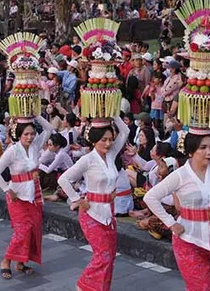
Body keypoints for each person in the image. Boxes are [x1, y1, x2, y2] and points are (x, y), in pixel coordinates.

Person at [144, 123, 210, 290]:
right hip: (188, 239)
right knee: (202, 287)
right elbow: (151, 196)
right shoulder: (180, 175)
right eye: (203, 147)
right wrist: (171, 223)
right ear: (191, 150)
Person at [57, 116, 130, 291]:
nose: (108, 143)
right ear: (95, 139)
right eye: (104, 139)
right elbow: (64, 180)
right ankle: (83, 286)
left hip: (108, 213)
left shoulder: (111, 154)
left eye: (111, 139)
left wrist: (113, 114)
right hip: (91, 213)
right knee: (102, 256)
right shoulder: (87, 159)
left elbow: (125, 131)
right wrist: (77, 200)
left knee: (110, 257)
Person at [0, 116, 53, 279]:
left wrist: (36, 114)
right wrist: (7, 189)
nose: (30, 137)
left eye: (31, 134)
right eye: (26, 135)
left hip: (34, 196)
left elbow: (49, 129)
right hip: (17, 197)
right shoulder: (13, 150)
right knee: (22, 231)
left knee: (33, 231)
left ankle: (21, 262)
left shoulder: (35, 146)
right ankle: (6, 261)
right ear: (19, 135)